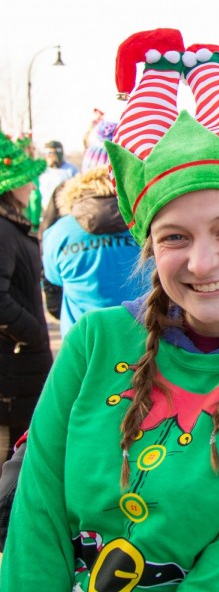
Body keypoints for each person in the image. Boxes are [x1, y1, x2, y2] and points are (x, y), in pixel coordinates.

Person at [0, 28, 219, 591]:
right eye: (175, 238)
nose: (203, 262)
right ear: (150, 246)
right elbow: (35, 523)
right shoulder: (94, 343)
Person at [41, 164, 146, 338]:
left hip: (83, 338)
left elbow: (53, 279)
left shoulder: (59, 231)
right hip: (142, 335)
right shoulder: (143, 223)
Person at [0, 133, 54, 465]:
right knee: (9, 461)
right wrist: (33, 332)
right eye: (26, 181)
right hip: (12, 369)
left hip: (20, 368)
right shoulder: (3, 230)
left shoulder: (12, 226)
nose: (33, 187)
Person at [37, 139, 78, 210]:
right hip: (44, 211)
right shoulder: (41, 171)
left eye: (52, 153)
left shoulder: (71, 170)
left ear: (59, 154)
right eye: (47, 153)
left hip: (62, 210)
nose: (49, 156)